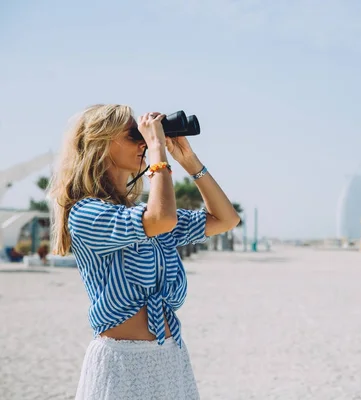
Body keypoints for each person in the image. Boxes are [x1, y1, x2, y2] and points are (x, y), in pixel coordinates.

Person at [47, 104, 240, 399]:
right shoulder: (86, 214)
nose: (142, 142)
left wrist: (190, 162)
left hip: (169, 358)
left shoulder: (146, 216)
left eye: (143, 136)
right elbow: (160, 218)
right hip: (121, 365)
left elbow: (226, 219)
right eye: (133, 135)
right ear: (102, 142)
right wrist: (156, 150)